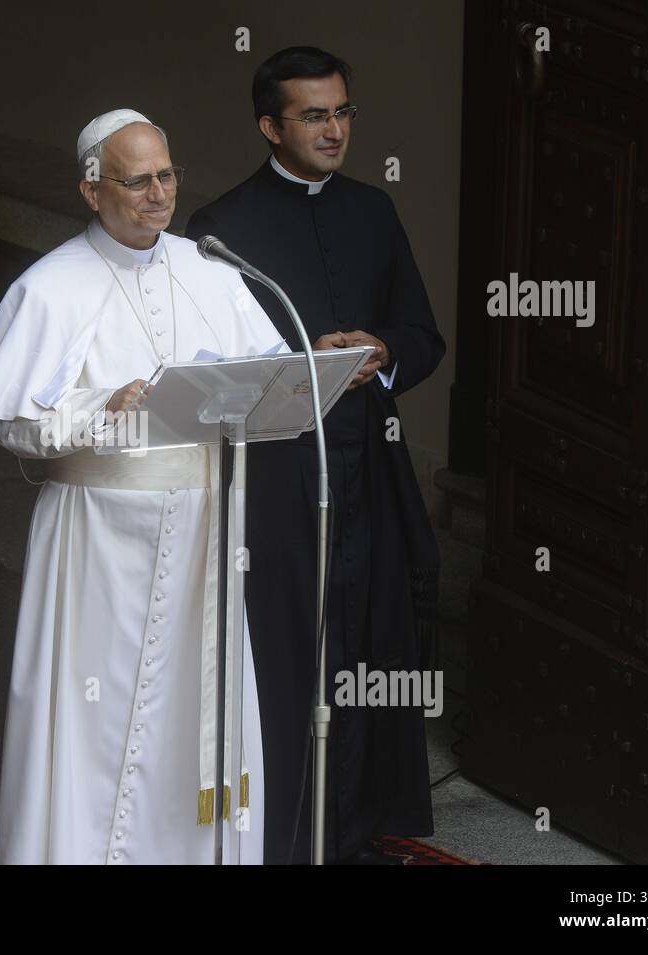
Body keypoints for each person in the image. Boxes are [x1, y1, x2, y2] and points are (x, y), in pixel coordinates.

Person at [0, 109, 287, 864]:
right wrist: (96, 410)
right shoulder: (48, 289)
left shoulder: (212, 269)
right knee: (93, 723)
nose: (158, 195)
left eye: (167, 175)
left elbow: (268, 373)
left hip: (207, 533)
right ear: (90, 188)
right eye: (136, 180)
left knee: (189, 723)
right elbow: (9, 424)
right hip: (97, 542)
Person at [187, 46, 443, 864]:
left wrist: (382, 350)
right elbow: (204, 371)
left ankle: (358, 828)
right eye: (314, 116)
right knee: (289, 648)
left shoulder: (373, 211)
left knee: (368, 644)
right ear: (270, 125)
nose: (334, 131)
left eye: (342, 113)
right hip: (275, 479)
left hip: (368, 465)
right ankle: (283, 833)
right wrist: (305, 365)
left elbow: (424, 336)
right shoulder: (222, 230)